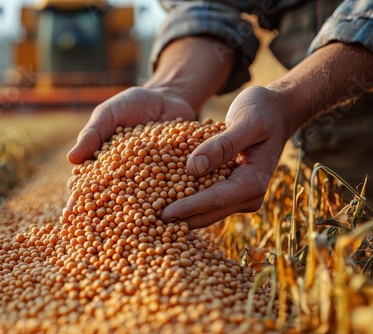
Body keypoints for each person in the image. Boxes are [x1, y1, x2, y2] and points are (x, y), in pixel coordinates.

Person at [67, 0, 373, 230]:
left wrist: (288, 100)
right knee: (347, 231)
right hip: (333, 136)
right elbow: (210, 6)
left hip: (347, 102)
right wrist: (172, 89)